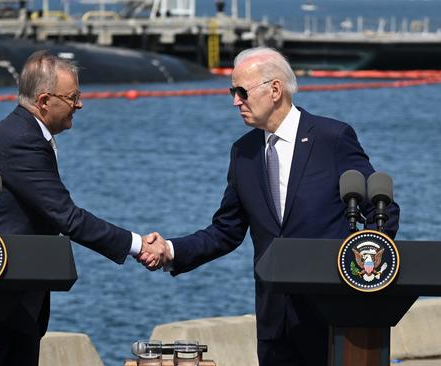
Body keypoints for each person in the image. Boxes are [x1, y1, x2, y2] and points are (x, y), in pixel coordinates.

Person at [140, 47, 400, 365]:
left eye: (241, 92)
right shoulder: (243, 152)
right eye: (232, 91)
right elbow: (226, 230)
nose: (235, 101)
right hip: (275, 322)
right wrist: (170, 250)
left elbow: (381, 210)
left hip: (334, 316)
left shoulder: (332, 138)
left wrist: (362, 274)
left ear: (274, 89)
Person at [0, 50, 167, 366]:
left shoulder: (21, 131)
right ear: (45, 100)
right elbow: (66, 216)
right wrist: (137, 245)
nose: (79, 104)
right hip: (5, 295)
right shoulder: (23, 140)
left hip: (14, 293)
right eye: (73, 97)